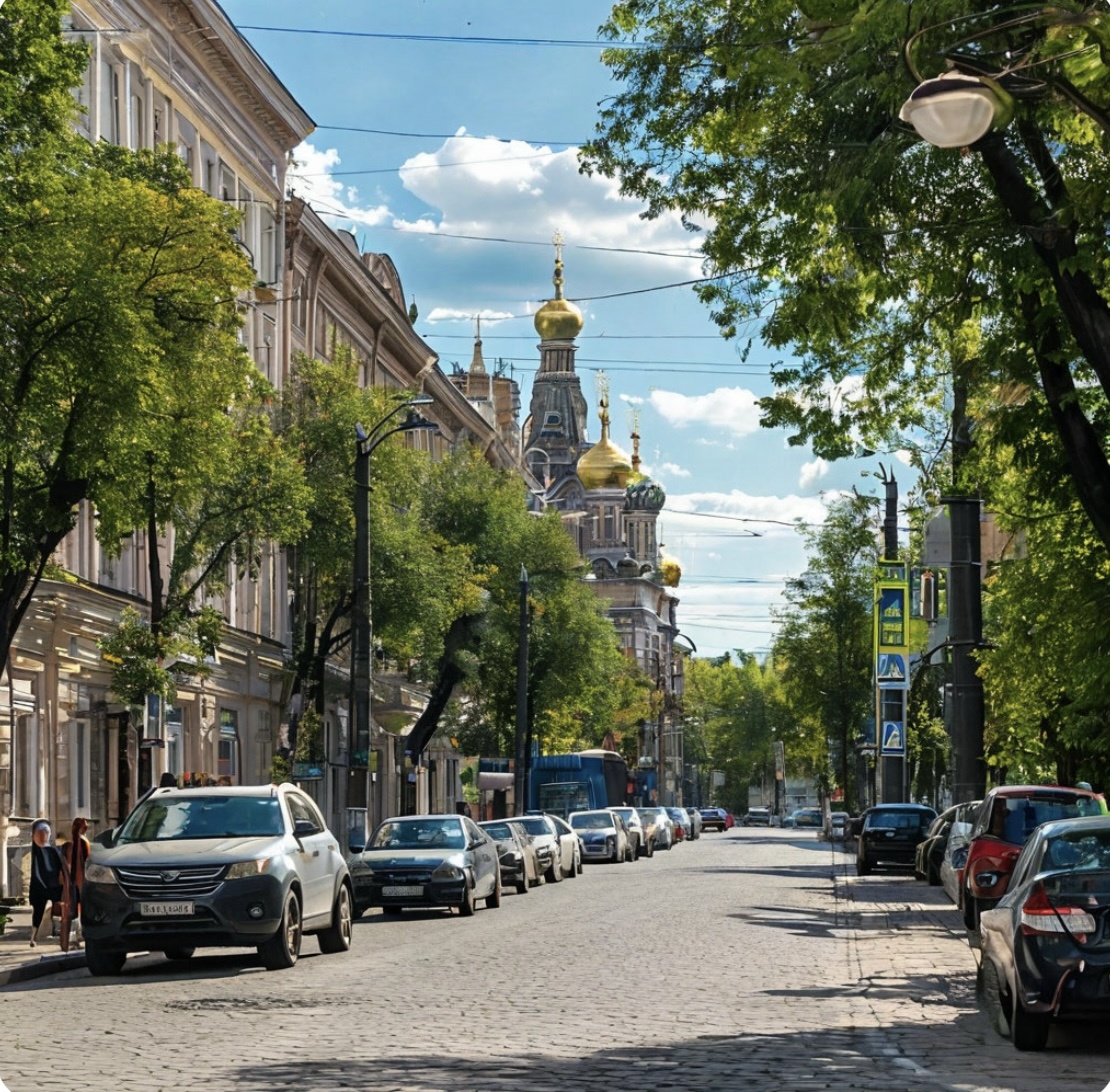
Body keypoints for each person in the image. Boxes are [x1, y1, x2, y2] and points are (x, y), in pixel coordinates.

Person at [28, 820, 64, 948]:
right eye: (40, 833)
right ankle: (33, 937)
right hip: (39, 884)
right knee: (37, 911)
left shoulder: (52, 851)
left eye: (45, 833)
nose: (42, 836)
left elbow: (60, 868)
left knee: (62, 908)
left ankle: (64, 935)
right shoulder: (34, 850)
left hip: (54, 884)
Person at [59, 817, 91, 953]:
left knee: (71, 911)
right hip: (80, 880)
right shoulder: (82, 842)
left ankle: (70, 940)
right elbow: (86, 860)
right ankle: (77, 937)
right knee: (79, 909)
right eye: (84, 826)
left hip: (72, 881)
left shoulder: (70, 844)